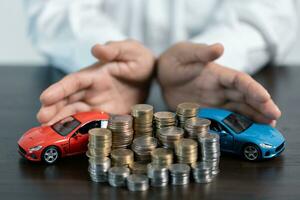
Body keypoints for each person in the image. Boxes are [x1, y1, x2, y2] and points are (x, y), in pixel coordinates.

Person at [23, 0, 298, 126]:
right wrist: (108, 55)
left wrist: (215, 57)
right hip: (104, 77)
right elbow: (54, 9)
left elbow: (271, 9)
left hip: (211, 80)